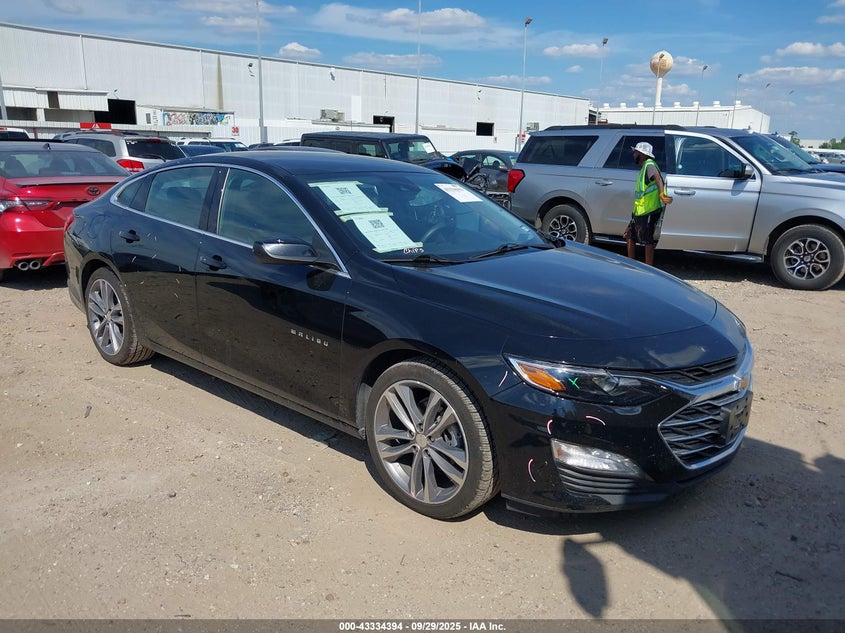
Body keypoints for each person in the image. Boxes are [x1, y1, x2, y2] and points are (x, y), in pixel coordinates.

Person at [623, 142, 672, 266]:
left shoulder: (649, 165)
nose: (634, 154)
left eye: (636, 152)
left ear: (642, 154)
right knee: (629, 236)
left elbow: (658, 178)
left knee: (647, 239)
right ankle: (631, 264)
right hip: (640, 210)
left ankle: (648, 267)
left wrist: (662, 194)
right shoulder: (645, 167)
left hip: (649, 210)